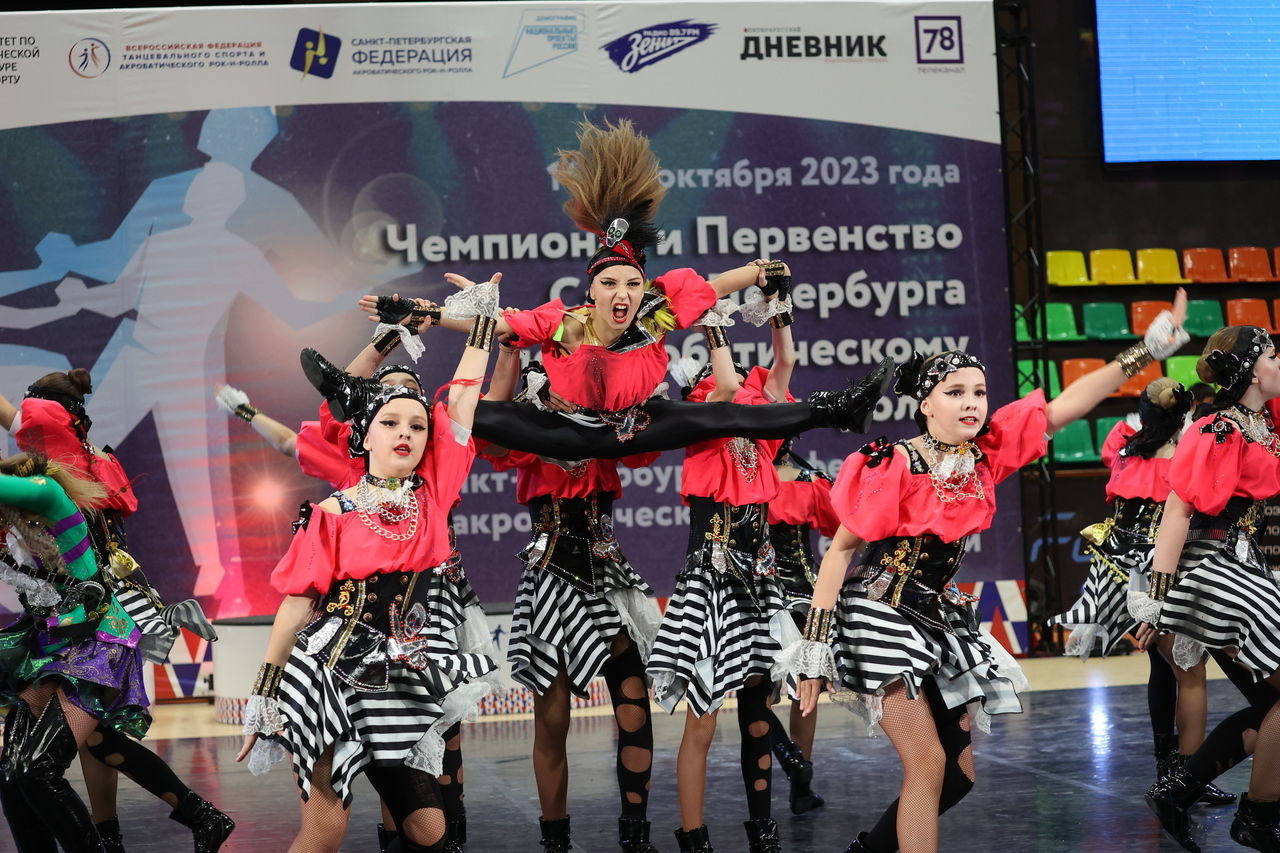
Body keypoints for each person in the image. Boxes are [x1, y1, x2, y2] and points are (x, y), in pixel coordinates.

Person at [783, 291, 1190, 853]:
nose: (971, 402)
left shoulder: (984, 455)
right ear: (926, 404)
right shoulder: (894, 462)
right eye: (955, 393)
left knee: (958, 776)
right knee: (926, 763)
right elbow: (838, 553)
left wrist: (1144, 350)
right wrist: (814, 648)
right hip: (879, 617)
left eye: (978, 391)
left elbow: (1064, 406)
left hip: (936, 619)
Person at [332, 118, 891, 461]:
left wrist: (763, 269)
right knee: (459, 413)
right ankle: (357, 400)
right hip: (563, 429)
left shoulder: (655, 317)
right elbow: (494, 324)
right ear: (592, 291)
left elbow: (717, 284)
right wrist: (421, 312)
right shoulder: (567, 323)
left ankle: (839, 409)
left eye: (632, 284)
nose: (622, 294)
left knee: (730, 415)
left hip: (635, 427)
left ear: (643, 289)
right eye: (610, 284)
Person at [236, 291, 502, 853]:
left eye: (417, 426)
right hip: (328, 675)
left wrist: (483, 320)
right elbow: (296, 606)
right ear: (366, 433)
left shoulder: (434, 493)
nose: (405, 433)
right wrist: (265, 692)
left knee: (430, 830)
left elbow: (463, 398)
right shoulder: (332, 512)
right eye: (390, 422)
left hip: (397, 671)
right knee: (326, 829)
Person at [0, 370, 231, 852]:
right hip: (55, 639)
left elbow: (24, 453)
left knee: (64, 757)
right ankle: (185, 820)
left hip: (97, 640)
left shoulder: (53, 489)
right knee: (63, 756)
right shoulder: (57, 475)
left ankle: (135, 832)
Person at [479, 341, 664, 853]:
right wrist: (508, 355)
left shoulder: (605, 427)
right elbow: (487, 428)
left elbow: (649, 436)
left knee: (634, 706)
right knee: (553, 719)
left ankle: (635, 834)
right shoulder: (526, 433)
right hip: (551, 581)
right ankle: (555, 840)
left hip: (608, 573)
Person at [646, 301, 798, 853]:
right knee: (703, 720)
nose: (731, 392)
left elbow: (783, 365)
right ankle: (694, 837)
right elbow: (731, 387)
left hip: (758, 582)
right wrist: (712, 324)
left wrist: (780, 307)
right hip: (710, 584)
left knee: (759, 715)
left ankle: (764, 832)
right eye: (710, 385)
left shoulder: (759, 435)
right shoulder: (699, 426)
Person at [1046, 378, 1234, 807]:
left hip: (1115, 570)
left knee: (1163, 666)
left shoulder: (1124, 447)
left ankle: (1169, 770)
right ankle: (1186, 779)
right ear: (1184, 415)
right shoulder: (1185, 458)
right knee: (1190, 670)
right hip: (1155, 573)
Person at [1135, 325, 1280, 852]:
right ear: (1250, 370)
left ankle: (1180, 790)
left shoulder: (1263, 423)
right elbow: (1178, 511)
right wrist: (1156, 598)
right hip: (1213, 564)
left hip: (1244, 561)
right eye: (1273, 355)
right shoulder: (1216, 428)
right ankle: (1258, 815)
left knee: (1270, 704)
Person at [0, 453, 150, 852]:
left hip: (98, 649)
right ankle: (198, 813)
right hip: (54, 651)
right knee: (12, 776)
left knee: (38, 771)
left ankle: (193, 814)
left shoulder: (50, 497)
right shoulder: (16, 529)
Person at [764, 438, 840, 815]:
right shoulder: (810, 480)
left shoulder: (740, 479)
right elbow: (841, 527)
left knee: (759, 694)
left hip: (761, 594)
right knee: (805, 691)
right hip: (804, 595)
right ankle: (800, 781)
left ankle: (792, 761)